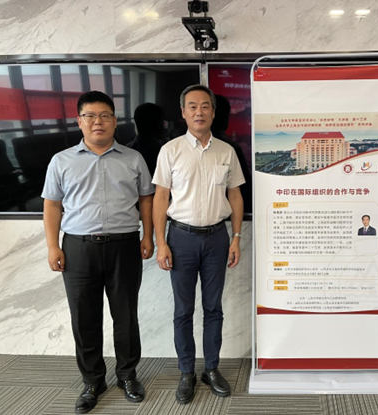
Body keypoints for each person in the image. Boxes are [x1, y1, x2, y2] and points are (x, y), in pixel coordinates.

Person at [42, 91, 154, 414]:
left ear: (115, 121)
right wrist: (53, 246)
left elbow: (146, 199)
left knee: (126, 316)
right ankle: (92, 380)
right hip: (78, 248)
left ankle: (127, 375)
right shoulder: (61, 161)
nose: (98, 122)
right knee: (84, 318)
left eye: (105, 116)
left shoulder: (133, 159)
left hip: (124, 245)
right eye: (90, 116)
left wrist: (148, 236)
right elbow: (52, 205)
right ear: (79, 122)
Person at [152, 85, 245, 405]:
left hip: (217, 239)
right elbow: (160, 198)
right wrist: (161, 243)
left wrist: (236, 237)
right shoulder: (171, 150)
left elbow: (235, 195)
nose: (199, 112)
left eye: (205, 106)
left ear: (213, 112)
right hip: (180, 239)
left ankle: (212, 369)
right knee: (183, 310)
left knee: (213, 308)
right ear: (183, 112)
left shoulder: (226, 151)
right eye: (192, 106)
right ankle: (186, 372)